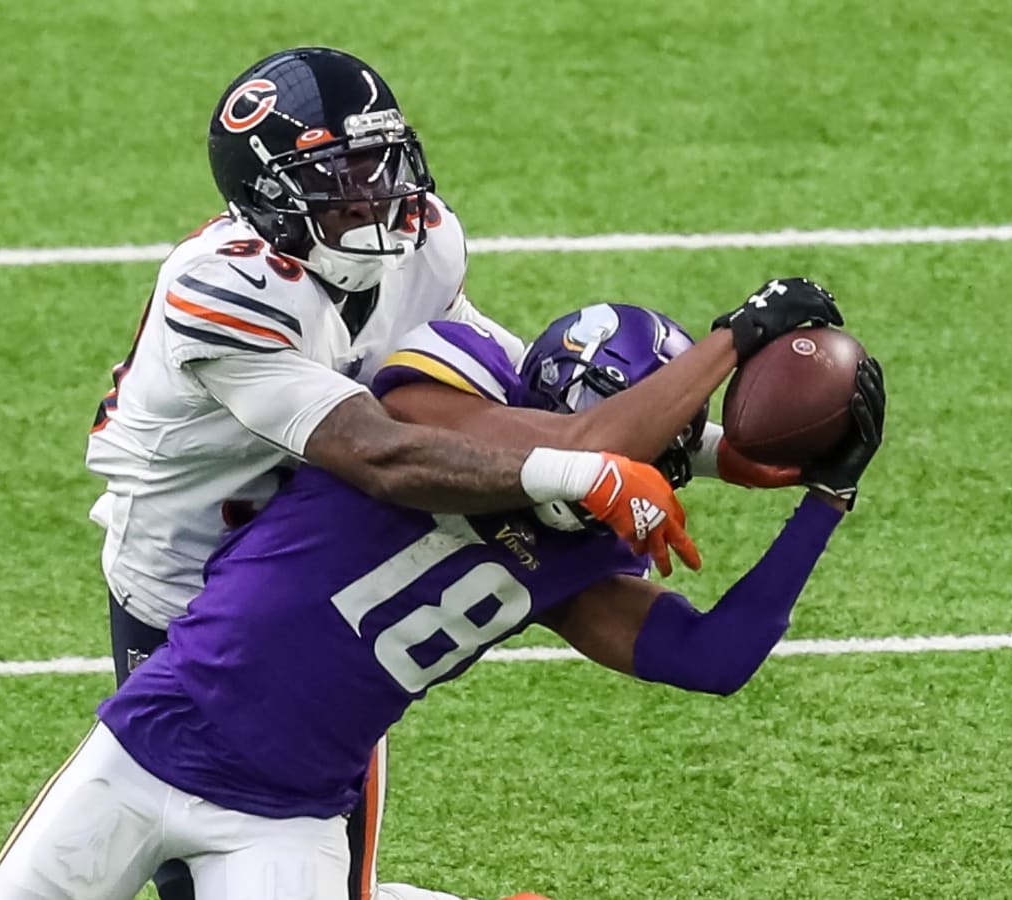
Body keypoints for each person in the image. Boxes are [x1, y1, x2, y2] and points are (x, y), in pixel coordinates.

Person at [83, 41, 843, 900]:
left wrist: (707, 452)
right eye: (345, 176)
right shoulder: (230, 292)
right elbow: (383, 452)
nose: (378, 194)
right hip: (181, 581)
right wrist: (710, 361)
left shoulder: (424, 248)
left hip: (306, 594)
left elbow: (511, 387)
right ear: (272, 202)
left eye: (379, 162)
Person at [0, 303, 885, 900]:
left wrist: (825, 500)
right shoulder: (444, 385)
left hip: (287, 819)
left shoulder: (581, 553)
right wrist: (739, 336)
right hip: (148, 745)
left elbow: (712, 659)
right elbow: (574, 447)